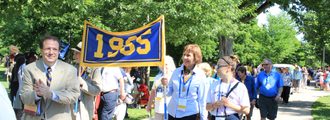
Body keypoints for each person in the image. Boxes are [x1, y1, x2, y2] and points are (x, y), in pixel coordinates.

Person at [20, 35, 80, 120]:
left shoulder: (70, 70)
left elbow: (74, 96)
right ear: (41, 50)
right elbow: (24, 97)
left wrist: (52, 94)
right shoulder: (29, 69)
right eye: (47, 48)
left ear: (59, 51)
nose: (51, 52)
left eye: (55, 49)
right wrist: (37, 94)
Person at [161, 44, 208, 120]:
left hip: (190, 114)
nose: (185, 57)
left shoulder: (200, 75)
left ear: (195, 58)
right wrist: (165, 85)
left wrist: (203, 118)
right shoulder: (176, 72)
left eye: (188, 55)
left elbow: (202, 99)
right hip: (173, 113)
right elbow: (168, 92)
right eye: (184, 55)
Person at [206, 56, 250, 120]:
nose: (216, 69)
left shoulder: (240, 86)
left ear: (228, 68)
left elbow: (246, 110)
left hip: (231, 117)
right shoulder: (214, 84)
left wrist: (229, 104)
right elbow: (207, 107)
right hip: (214, 117)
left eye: (218, 66)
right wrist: (214, 105)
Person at [71, 42, 102, 120]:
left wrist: (82, 84)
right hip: (71, 108)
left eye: (76, 53)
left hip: (84, 109)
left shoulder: (94, 69)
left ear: (83, 55)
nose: (74, 55)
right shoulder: (73, 68)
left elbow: (97, 90)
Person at [146, 55, 176, 120]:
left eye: (166, 64)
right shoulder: (157, 77)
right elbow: (153, 91)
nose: (164, 66)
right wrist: (149, 105)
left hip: (170, 109)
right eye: (162, 64)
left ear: (171, 64)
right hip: (158, 108)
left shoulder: (174, 76)